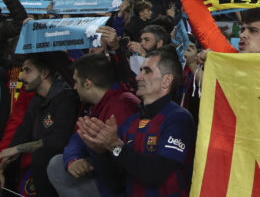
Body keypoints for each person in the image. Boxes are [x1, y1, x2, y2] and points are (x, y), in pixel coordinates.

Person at [76, 48, 194, 196]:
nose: (138, 77)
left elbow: (157, 174)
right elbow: (116, 184)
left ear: (166, 80)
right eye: (140, 71)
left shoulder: (178, 119)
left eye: (147, 71)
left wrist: (115, 146)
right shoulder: (130, 123)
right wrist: (100, 153)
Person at [47, 53, 140, 197]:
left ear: (88, 83)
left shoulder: (121, 106)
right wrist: (73, 159)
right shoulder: (99, 104)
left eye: (76, 81)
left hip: (122, 186)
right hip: (105, 173)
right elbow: (77, 139)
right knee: (58, 164)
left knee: (56, 168)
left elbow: (121, 169)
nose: (75, 87)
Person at [0, 53, 80, 197]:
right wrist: (2, 166)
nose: (21, 77)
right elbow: (22, 133)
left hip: (62, 166)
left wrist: (17, 149)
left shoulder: (67, 97)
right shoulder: (36, 100)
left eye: (27, 71)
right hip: (39, 167)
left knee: (41, 157)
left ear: (44, 73)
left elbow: (58, 140)